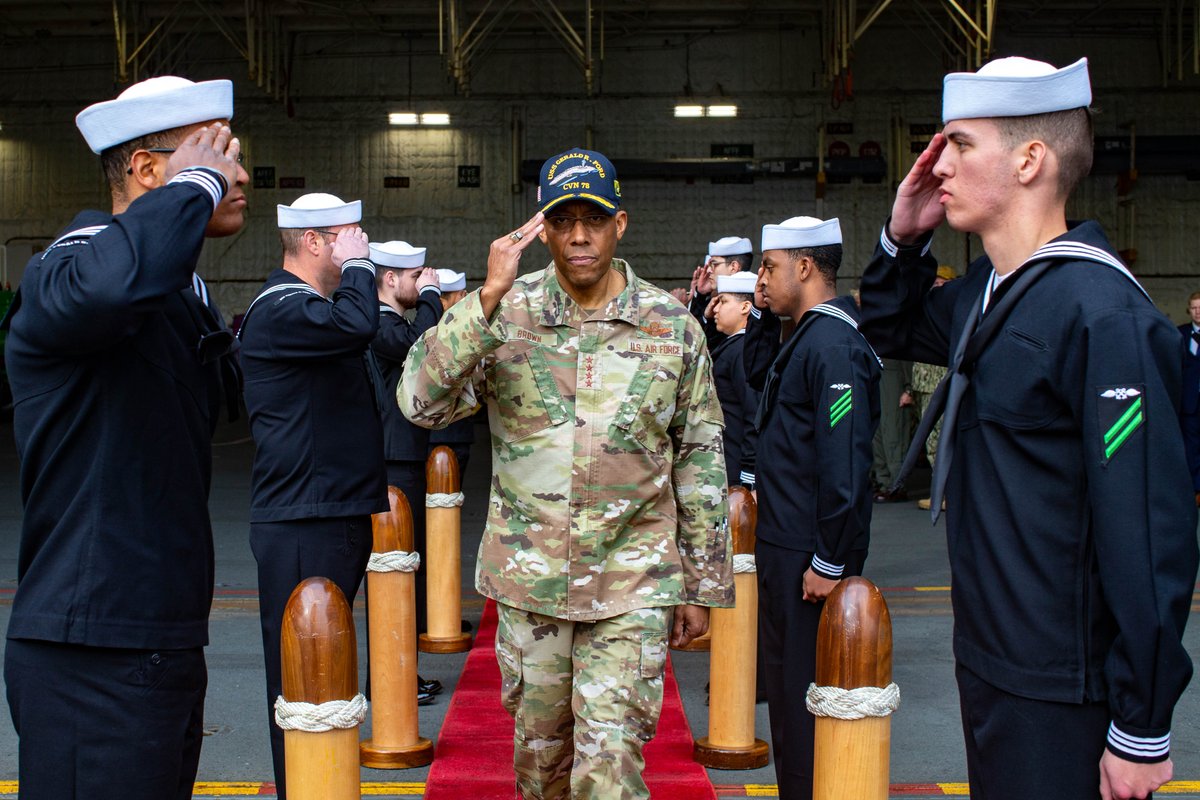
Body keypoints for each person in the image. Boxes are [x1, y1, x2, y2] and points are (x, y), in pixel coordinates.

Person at [858, 56, 1198, 800]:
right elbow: (891, 323)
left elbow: (1145, 529)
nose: (936, 165)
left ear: (1030, 159)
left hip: (1061, 686)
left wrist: (1141, 724)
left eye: (959, 144)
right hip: (992, 657)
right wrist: (901, 238)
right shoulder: (990, 290)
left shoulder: (1102, 315)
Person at [399, 148, 734, 799]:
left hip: (632, 582)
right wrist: (484, 300)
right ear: (543, 228)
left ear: (620, 224)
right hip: (533, 589)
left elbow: (698, 452)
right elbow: (420, 401)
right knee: (542, 765)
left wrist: (701, 580)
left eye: (595, 219)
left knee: (611, 768)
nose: (580, 235)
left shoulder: (670, 327)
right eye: (564, 219)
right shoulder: (507, 316)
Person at [2, 76, 245, 799]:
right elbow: (104, 290)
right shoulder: (70, 266)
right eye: (213, 154)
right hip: (93, 653)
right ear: (147, 170)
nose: (235, 175)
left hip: (157, 636)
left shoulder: (173, 296)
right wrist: (194, 185)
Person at [239, 193, 387, 799]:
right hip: (305, 521)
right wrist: (360, 271)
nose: (359, 245)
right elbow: (358, 325)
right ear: (313, 242)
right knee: (303, 679)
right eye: (347, 236)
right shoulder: (282, 307)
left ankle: (318, 784)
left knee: (326, 674)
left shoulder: (309, 309)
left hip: (330, 511)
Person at [752, 216, 881, 800]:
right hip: (786, 546)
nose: (761, 279)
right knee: (784, 692)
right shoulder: (806, 336)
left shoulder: (832, 346)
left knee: (804, 700)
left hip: (808, 556)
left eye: (769, 267)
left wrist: (830, 561)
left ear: (804, 268)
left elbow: (844, 462)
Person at [365, 239, 444, 704]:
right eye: (415, 277)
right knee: (394, 574)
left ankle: (397, 673)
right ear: (390, 280)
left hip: (402, 456)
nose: (423, 282)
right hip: (392, 461)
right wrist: (433, 298)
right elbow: (426, 349)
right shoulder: (379, 323)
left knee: (403, 574)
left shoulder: (391, 322)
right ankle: (388, 679)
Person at [899, 265, 957, 511]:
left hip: (940, 385)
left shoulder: (952, 312)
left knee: (939, 442)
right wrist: (911, 390)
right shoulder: (927, 312)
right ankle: (942, 492)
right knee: (930, 443)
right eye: (935, 283)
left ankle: (945, 494)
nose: (937, 287)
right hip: (924, 386)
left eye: (942, 283)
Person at [428, 269, 480, 477]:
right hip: (440, 434)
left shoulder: (424, 330)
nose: (467, 300)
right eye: (461, 296)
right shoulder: (431, 335)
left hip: (455, 432)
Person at [709, 271, 758, 488]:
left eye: (723, 301)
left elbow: (753, 412)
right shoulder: (734, 345)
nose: (716, 309)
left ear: (745, 307)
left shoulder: (743, 350)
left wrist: (748, 474)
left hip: (737, 468)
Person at [688, 236, 753, 349]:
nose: (709, 270)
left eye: (715, 264)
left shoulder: (750, 301)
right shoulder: (713, 300)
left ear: (733, 267)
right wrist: (700, 295)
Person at [1179, 290, 1200, 506]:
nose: (1198, 312)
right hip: (1190, 402)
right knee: (1191, 446)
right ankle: (1194, 489)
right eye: (1194, 308)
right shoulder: (1179, 334)